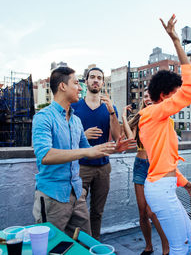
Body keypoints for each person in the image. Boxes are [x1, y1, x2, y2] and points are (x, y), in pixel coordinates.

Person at [32, 66, 135, 237]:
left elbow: (90, 150)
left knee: (85, 242)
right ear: (63, 86)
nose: (80, 87)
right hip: (53, 195)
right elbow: (45, 155)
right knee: (51, 245)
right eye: (76, 83)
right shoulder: (43, 117)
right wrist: (86, 152)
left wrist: (115, 148)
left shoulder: (76, 121)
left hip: (76, 194)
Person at [138, 14, 191, 255]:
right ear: (164, 95)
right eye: (175, 94)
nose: (180, 100)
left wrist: (184, 182)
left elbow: (163, 160)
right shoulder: (153, 113)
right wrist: (176, 40)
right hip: (160, 190)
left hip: (165, 185)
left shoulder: (160, 118)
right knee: (178, 247)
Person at [71, 67, 121, 240]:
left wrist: (112, 112)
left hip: (103, 167)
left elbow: (117, 137)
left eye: (99, 78)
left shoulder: (109, 107)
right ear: (86, 81)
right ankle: (78, 246)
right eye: (92, 77)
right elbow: (66, 137)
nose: (96, 80)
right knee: (78, 212)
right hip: (80, 167)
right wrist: (82, 136)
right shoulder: (75, 106)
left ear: (103, 83)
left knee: (97, 213)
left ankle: (94, 245)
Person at [122, 90, 170, 255]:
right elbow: (130, 139)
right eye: (145, 96)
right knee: (142, 212)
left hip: (155, 166)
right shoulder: (140, 117)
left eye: (151, 95)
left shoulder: (162, 116)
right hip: (140, 165)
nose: (148, 98)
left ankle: (166, 246)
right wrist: (123, 117)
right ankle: (149, 246)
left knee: (152, 211)